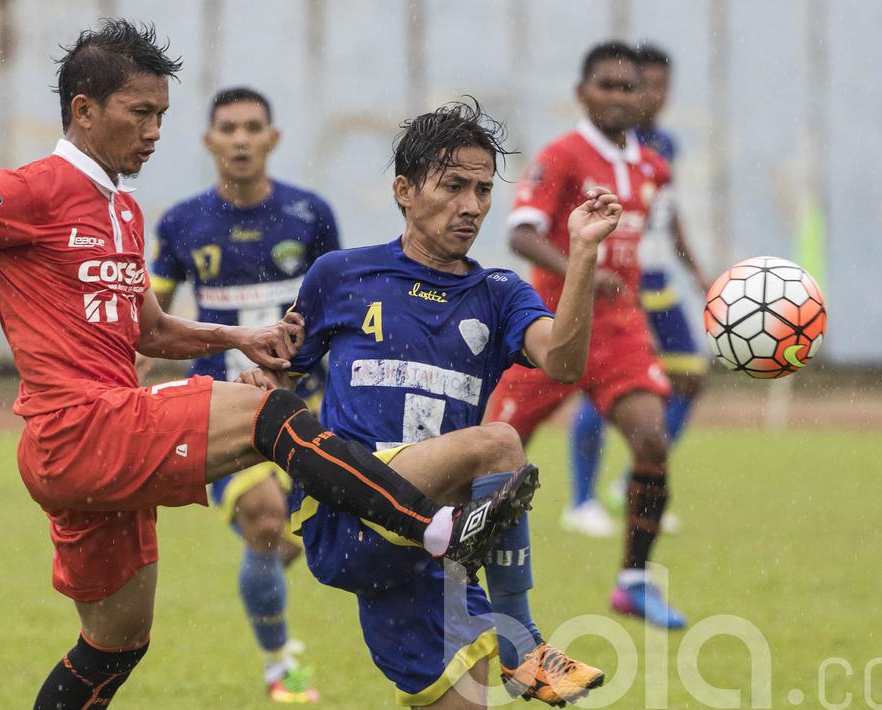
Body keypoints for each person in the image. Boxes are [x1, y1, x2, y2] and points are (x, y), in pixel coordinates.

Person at [0, 21, 542, 709]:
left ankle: (427, 525)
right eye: (141, 114)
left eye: (163, 115)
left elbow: (150, 332)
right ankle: (435, 528)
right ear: (83, 110)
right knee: (271, 418)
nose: (156, 132)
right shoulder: (23, 190)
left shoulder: (122, 210)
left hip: (104, 441)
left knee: (116, 643)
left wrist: (238, 340)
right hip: (78, 427)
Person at [241, 99, 620, 708]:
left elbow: (566, 363)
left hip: (431, 548)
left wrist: (581, 253)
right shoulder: (340, 275)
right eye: (453, 186)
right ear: (404, 190)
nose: (471, 206)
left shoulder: (498, 293)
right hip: (349, 512)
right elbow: (277, 377)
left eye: (482, 189)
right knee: (497, 442)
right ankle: (524, 641)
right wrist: (262, 382)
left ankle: (508, 637)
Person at [485, 41, 688, 629]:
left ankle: (634, 581)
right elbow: (521, 234)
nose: (619, 97)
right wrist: (580, 263)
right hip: (549, 328)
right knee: (490, 454)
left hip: (621, 331)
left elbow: (658, 235)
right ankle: (445, 565)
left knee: (651, 439)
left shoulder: (653, 166)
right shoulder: (564, 156)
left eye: (629, 87)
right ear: (582, 92)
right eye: (606, 85)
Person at [149, 86, 339, 703]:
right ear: (208, 140)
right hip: (223, 407)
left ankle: (276, 575)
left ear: (272, 139)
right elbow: (149, 317)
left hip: (309, 406)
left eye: (252, 127)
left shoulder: (311, 216)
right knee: (263, 518)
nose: (239, 139)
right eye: (227, 128)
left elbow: (338, 310)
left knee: (311, 537)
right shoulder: (182, 223)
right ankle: (280, 666)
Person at [564, 43, 708, 538]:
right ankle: (581, 500)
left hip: (659, 279)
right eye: (645, 85)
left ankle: (639, 474)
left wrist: (698, 272)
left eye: (663, 86)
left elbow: (667, 213)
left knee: (689, 375)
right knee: (610, 384)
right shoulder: (605, 146)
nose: (655, 95)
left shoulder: (663, 146)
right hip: (618, 281)